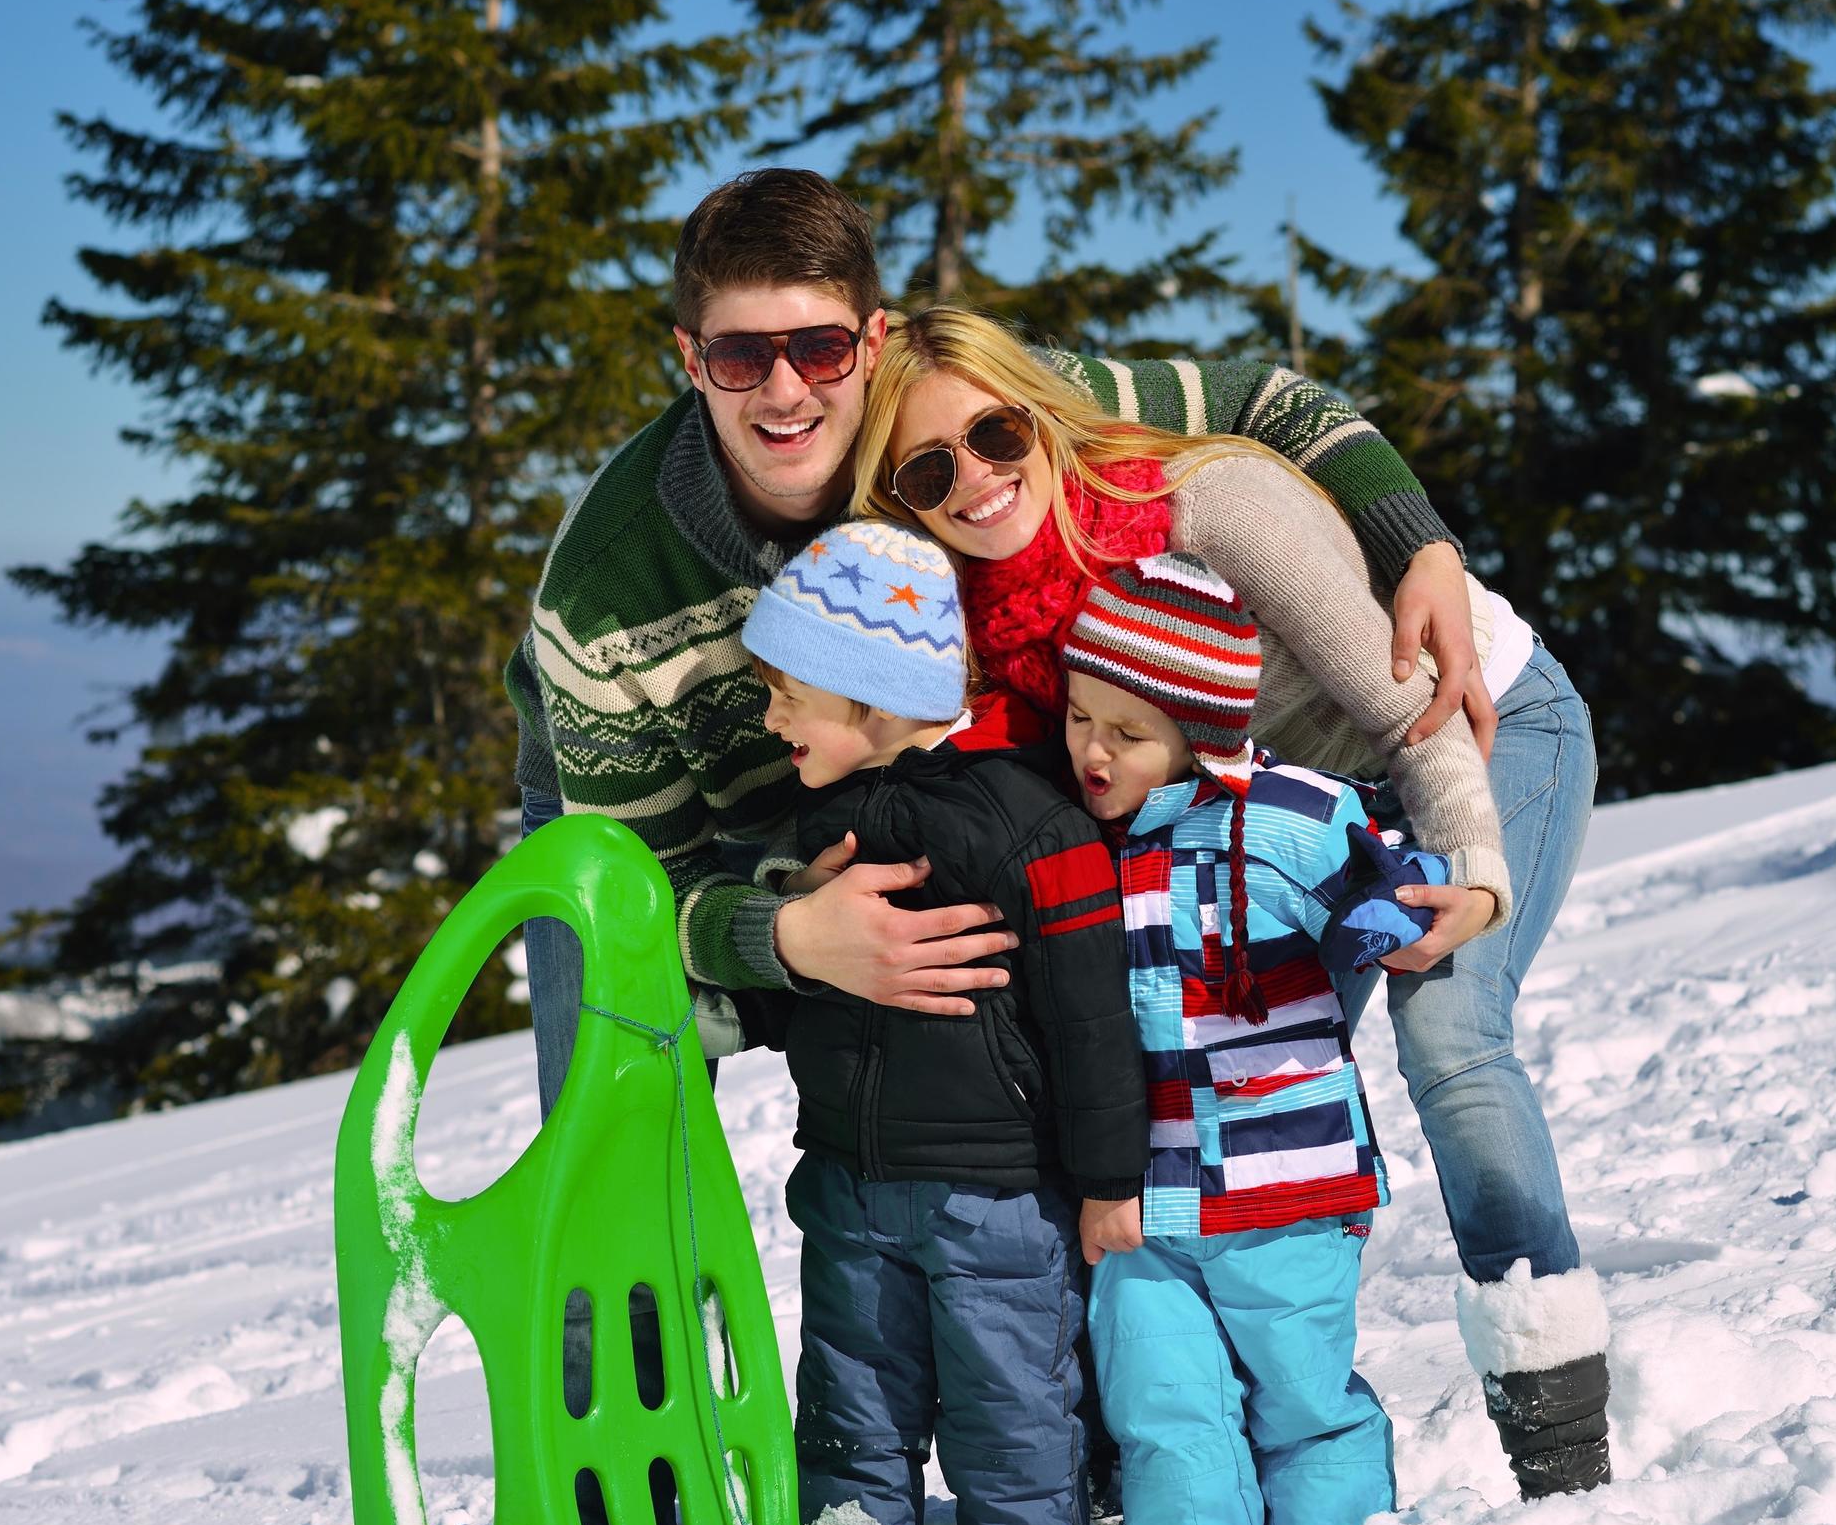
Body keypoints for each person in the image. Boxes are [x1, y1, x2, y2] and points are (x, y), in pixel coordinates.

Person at [503, 168, 1490, 1116]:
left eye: (819, 348)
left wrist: (1422, 543)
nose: (784, 390)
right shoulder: (605, 599)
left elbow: (1261, 403)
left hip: (896, 778)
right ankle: (622, 1293)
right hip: (652, 784)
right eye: (738, 356)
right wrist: (787, 934)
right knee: (619, 1067)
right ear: (689, 357)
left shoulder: (971, 427)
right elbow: (639, 903)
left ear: (872, 337)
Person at [859, 306, 1614, 1498]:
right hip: (1281, 808)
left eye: (997, 432)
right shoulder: (983, 622)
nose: (978, 478)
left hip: (1471, 731)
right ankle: (1160, 1441)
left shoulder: (1206, 503)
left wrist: (1467, 865)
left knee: (1449, 1032)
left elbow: (1403, 707)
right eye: (929, 468)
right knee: (1168, 1054)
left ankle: (1561, 1447)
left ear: (1041, 413)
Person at [740, 519, 1145, 1525]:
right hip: (852, 1185)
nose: (769, 720)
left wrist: (1110, 1177)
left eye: (786, 694)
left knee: (1013, 1415)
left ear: (870, 699)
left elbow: (1090, 1023)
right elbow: (777, 996)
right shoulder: (817, 831)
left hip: (999, 1194)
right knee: (850, 1410)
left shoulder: (1038, 826)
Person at [1057, 555, 1399, 1525]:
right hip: (1140, 1208)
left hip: (1287, 1188)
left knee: (1303, 1403)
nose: (1093, 753)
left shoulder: (1289, 818)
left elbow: (1384, 871)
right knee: (1164, 1414)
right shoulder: (1073, 847)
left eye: (1127, 732)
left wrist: (1397, 906)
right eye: (1078, 716)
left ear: (1200, 733)